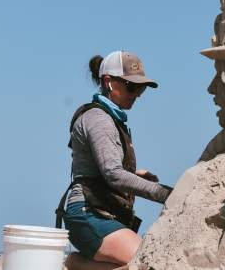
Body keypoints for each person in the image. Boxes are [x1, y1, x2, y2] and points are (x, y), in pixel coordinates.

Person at [57, 51, 172, 270]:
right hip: (88, 213)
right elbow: (112, 173)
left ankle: (77, 264)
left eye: (141, 88)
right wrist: (165, 194)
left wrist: (134, 173)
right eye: (131, 86)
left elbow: (102, 168)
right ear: (108, 82)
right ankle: (76, 264)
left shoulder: (111, 118)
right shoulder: (98, 119)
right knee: (148, 261)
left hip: (100, 212)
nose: (137, 94)